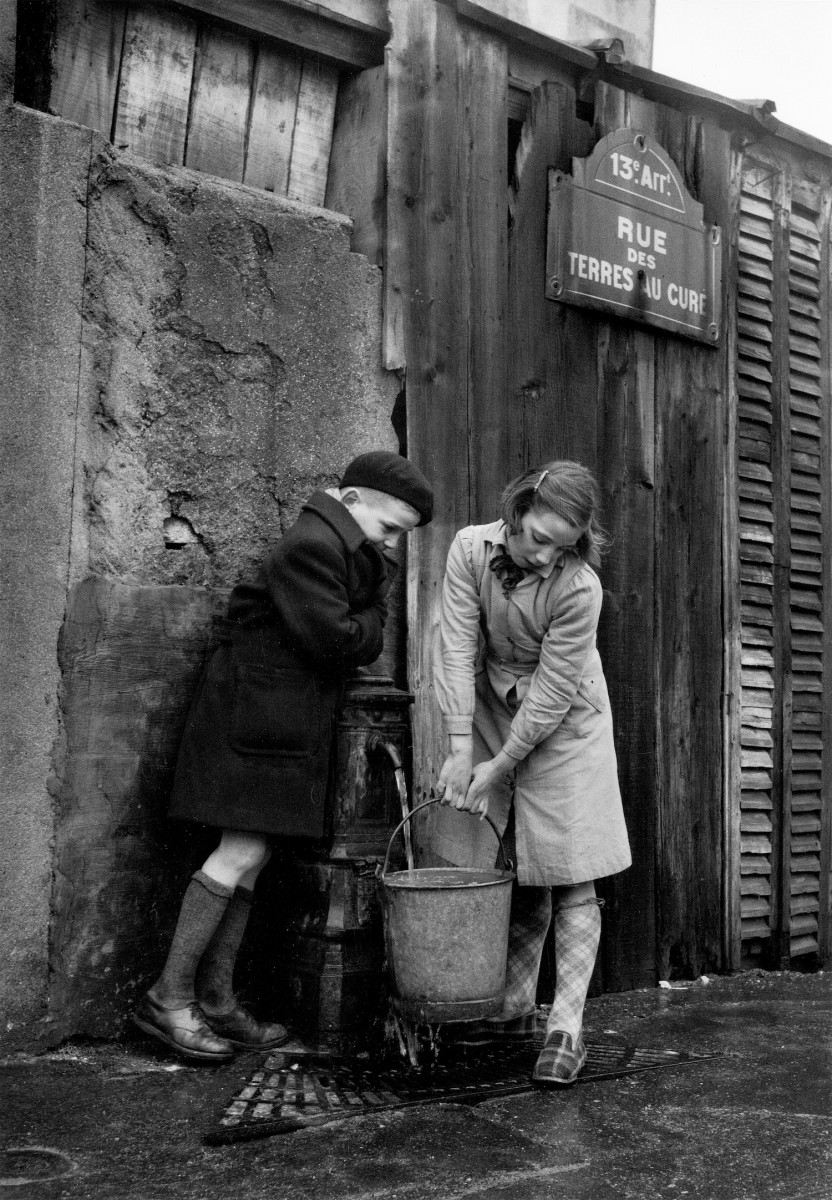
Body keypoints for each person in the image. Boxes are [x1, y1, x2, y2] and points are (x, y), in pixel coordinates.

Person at [133, 451, 433, 1062]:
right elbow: (338, 642)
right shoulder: (313, 545)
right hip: (255, 720)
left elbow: (358, 623)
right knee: (239, 851)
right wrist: (371, 617)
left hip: (275, 720)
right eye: (388, 529)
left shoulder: (342, 548)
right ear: (351, 502)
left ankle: (215, 1001)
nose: (393, 545)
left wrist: (368, 607)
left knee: (255, 853)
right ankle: (168, 998)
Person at [432, 460, 630, 1086]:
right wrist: (461, 745)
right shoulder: (469, 549)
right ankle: (515, 1009)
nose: (546, 558)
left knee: (569, 868)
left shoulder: (580, 588)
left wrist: (500, 764)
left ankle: (566, 1028)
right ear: (515, 514)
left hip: (567, 722)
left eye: (562, 547)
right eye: (539, 539)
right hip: (492, 709)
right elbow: (458, 644)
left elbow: (550, 691)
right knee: (514, 862)